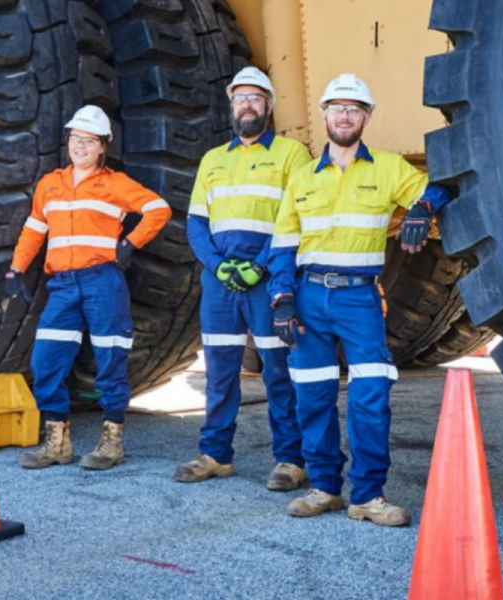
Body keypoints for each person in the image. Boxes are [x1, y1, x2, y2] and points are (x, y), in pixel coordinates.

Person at [267, 73, 451, 526]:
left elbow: (440, 186)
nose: (345, 115)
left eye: (354, 108)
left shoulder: (388, 168)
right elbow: (282, 246)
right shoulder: (302, 178)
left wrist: (422, 209)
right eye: (337, 107)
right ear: (324, 115)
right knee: (312, 396)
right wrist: (282, 299)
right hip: (309, 297)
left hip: (360, 299)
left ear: (367, 117)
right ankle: (325, 487)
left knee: (370, 396)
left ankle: (367, 495)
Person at [7, 105, 171, 471]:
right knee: (47, 359)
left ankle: (112, 443)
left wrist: (129, 244)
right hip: (63, 286)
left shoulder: (115, 184)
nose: (80, 146)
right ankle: (57, 442)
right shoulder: (50, 184)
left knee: (110, 359)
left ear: (103, 147)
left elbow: (158, 209)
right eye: (75, 139)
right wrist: (16, 269)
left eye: (89, 141)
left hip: (102, 282)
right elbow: (34, 230)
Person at [176, 67, 311, 491]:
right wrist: (218, 266)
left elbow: (297, 218)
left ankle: (291, 459)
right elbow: (197, 224)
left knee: (278, 370)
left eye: (255, 98)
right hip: (221, 282)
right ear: (231, 106)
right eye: (240, 99)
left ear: (269, 106)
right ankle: (216, 454)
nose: (247, 105)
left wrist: (263, 265)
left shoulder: (293, 155)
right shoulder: (213, 160)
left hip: (267, 278)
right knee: (219, 371)